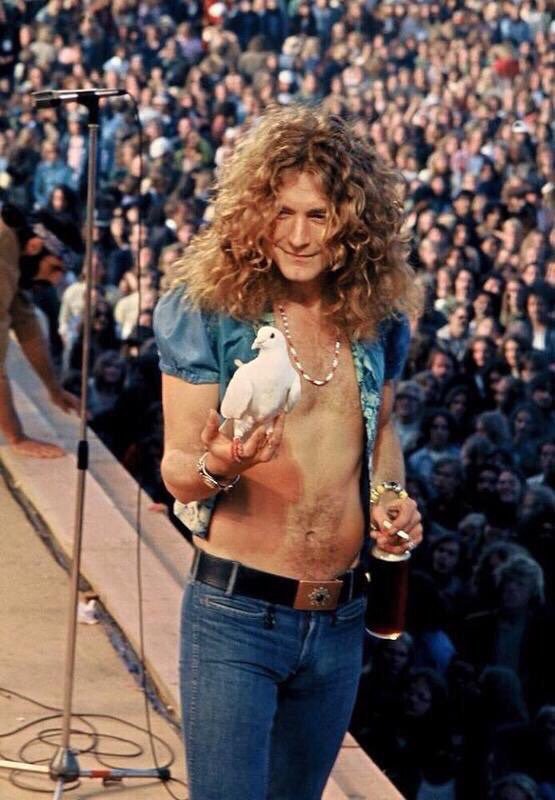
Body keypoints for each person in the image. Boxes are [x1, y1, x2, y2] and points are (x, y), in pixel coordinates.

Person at [153, 106, 423, 800]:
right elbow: (179, 472)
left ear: (351, 223)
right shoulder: (207, 310)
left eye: (318, 216)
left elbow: (381, 435)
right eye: (282, 213)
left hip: (341, 620)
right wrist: (222, 466)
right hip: (236, 618)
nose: (298, 237)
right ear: (253, 215)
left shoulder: (377, 316)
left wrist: (390, 498)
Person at [0, 203, 80, 457]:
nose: (54, 281)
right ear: (35, 246)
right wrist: (17, 437)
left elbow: (28, 329)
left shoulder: (12, 252)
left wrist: (54, 389)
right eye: (54, 268)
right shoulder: (4, 251)